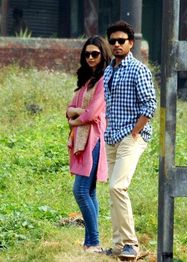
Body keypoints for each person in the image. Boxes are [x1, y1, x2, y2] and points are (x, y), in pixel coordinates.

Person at [103, 20, 157, 259]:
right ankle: (117, 246)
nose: (116, 45)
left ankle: (131, 245)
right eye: (113, 41)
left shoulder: (138, 69)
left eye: (121, 41)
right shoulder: (108, 70)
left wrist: (135, 131)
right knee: (113, 192)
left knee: (118, 186)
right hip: (112, 136)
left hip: (131, 136)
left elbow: (150, 105)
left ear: (131, 43)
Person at [66, 36, 111, 253]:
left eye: (95, 54)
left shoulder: (104, 79)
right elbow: (70, 107)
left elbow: (94, 113)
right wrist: (77, 114)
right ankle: (89, 242)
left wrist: (76, 117)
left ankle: (94, 242)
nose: (90, 58)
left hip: (93, 139)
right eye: (87, 54)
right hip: (81, 138)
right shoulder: (86, 80)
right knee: (90, 190)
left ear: (103, 55)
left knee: (81, 190)